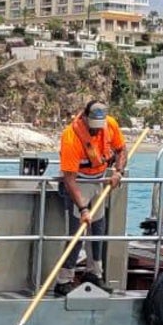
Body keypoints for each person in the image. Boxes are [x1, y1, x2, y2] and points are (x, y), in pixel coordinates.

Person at [53, 100, 127, 296]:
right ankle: (64, 279)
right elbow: (69, 179)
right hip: (78, 182)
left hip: (100, 180)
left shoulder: (110, 125)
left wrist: (118, 171)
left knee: (98, 229)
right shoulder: (70, 137)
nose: (96, 133)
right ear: (85, 118)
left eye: (98, 129)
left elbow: (121, 149)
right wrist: (83, 209)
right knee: (77, 231)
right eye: (92, 129)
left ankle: (94, 273)